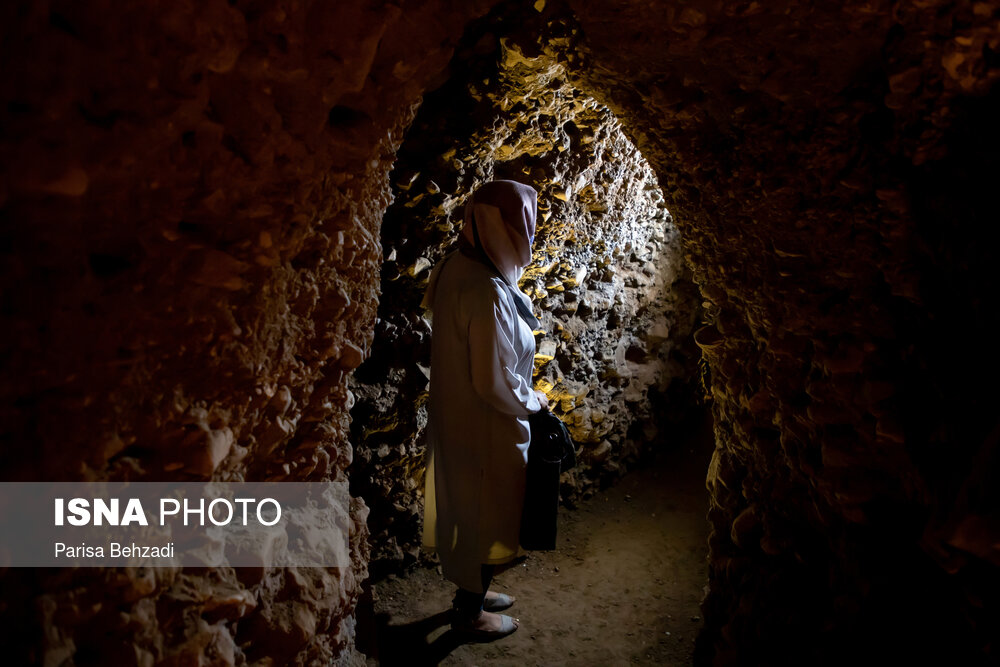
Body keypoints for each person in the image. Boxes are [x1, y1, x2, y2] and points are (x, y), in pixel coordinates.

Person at [421, 180, 549, 638]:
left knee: (468, 509)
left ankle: (469, 592)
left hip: (460, 420)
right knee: (486, 510)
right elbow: (492, 380)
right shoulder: (486, 291)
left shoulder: (457, 267)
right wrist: (534, 401)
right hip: (487, 425)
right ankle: (471, 612)